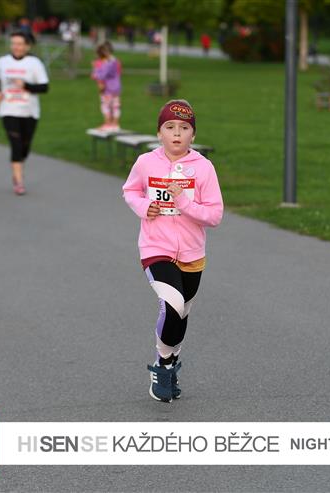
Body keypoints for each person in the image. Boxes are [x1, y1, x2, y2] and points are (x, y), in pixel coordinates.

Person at [122, 100, 224, 402]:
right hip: (155, 248)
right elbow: (130, 190)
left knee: (182, 313)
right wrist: (144, 207)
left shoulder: (204, 168)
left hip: (192, 253)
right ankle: (162, 367)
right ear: (159, 133)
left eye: (184, 128)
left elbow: (214, 215)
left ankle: (169, 359)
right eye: (170, 127)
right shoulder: (145, 163)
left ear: (193, 135)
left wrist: (184, 202)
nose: (177, 133)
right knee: (173, 303)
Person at [0, 31, 49, 195]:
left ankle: (18, 166)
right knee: (15, 144)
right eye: (13, 43)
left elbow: (44, 87)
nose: (16, 47)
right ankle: (19, 180)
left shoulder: (35, 63)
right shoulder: (2, 62)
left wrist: (26, 85)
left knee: (25, 146)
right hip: (8, 109)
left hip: (29, 111)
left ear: (27, 46)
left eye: (20, 44)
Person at [91, 41, 121, 131]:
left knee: (106, 105)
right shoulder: (115, 61)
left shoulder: (108, 63)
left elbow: (102, 75)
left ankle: (108, 123)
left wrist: (95, 72)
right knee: (115, 105)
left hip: (108, 88)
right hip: (116, 87)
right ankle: (115, 124)